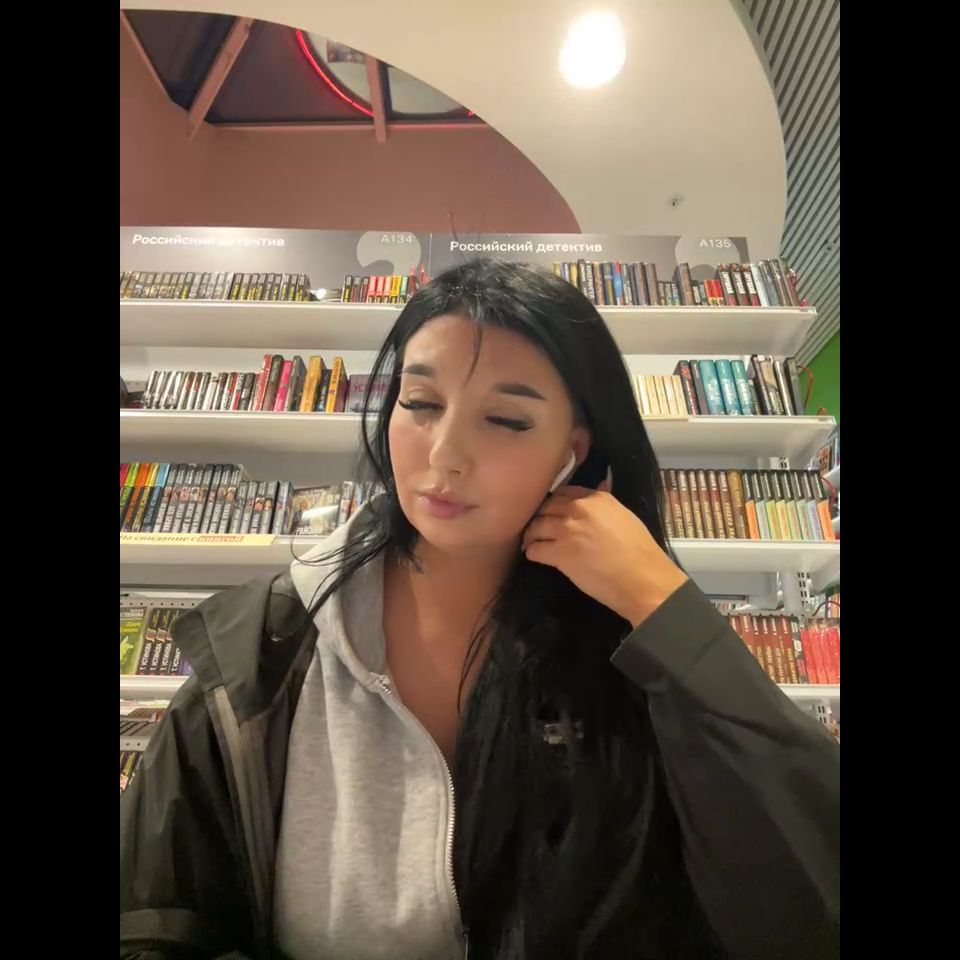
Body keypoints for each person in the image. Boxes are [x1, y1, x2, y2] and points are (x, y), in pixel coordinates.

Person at [120, 259, 840, 960]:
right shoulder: (262, 649)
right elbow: (156, 919)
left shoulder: (631, 647)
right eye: (420, 404)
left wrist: (661, 601)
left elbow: (806, 897)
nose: (445, 454)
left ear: (574, 450)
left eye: (505, 419)